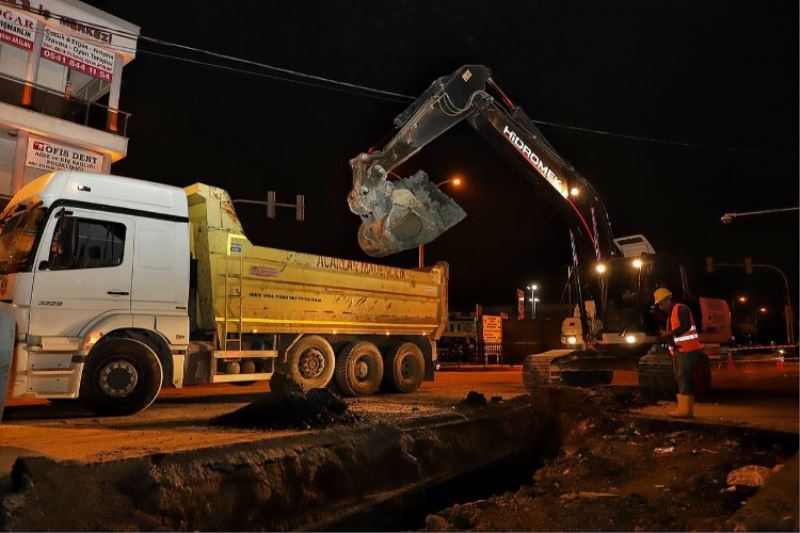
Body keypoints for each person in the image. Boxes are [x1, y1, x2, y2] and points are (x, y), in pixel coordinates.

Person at [653, 287, 703, 418]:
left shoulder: (680, 309)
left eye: (661, 304)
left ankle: (685, 410)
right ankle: (685, 409)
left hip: (687, 350)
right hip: (681, 350)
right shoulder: (673, 312)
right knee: (681, 378)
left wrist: (667, 334)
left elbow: (684, 327)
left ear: (668, 299)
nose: (661, 307)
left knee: (683, 377)